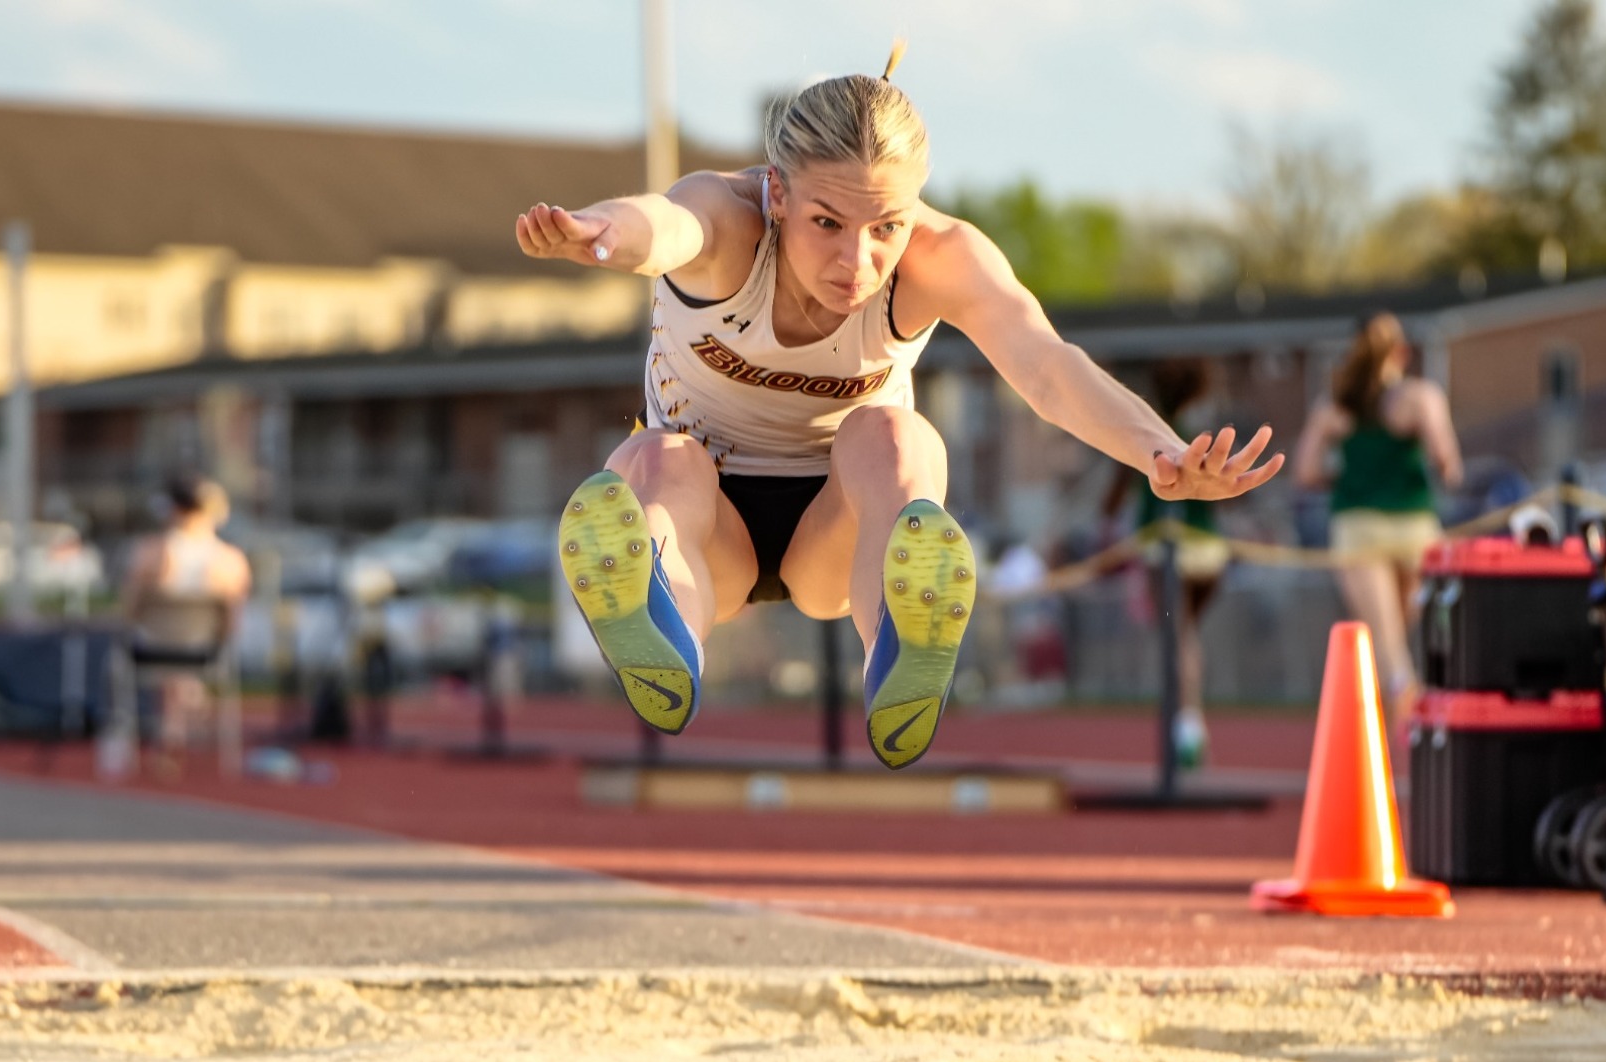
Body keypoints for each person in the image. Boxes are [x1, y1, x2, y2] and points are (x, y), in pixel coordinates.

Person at [517, 44, 1283, 769]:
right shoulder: (728, 221)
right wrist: (600, 233)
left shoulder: (941, 255)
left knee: (895, 435)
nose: (859, 262)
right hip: (712, 530)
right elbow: (663, 224)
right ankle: (664, 635)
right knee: (653, 460)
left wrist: (1160, 454)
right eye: (827, 224)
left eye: (887, 227)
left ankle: (898, 648)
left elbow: (1046, 366)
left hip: (840, 527)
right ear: (777, 193)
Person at [1293, 311, 1462, 727]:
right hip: (1415, 529)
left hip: (1359, 528)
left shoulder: (1336, 406)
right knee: (1396, 638)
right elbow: (1448, 464)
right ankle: (1407, 728)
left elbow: (1305, 471)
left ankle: (1404, 719)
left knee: (1387, 643)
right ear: (1400, 353)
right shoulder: (1420, 397)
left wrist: (1348, 474)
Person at [1101, 357, 1229, 769]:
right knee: (1187, 636)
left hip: (1167, 549)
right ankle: (1191, 721)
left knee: (1180, 640)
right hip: (1208, 551)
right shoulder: (1200, 436)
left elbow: (1113, 499)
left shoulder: (1146, 436)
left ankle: (1188, 726)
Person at [120, 475, 252, 767]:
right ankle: (182, 711)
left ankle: (173, 724)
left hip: (153, 651)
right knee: (184, 658)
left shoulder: (148, 554)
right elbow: (233, 622)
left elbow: (129, 610)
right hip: (202, 651)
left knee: (156, 653)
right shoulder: (230, 561)